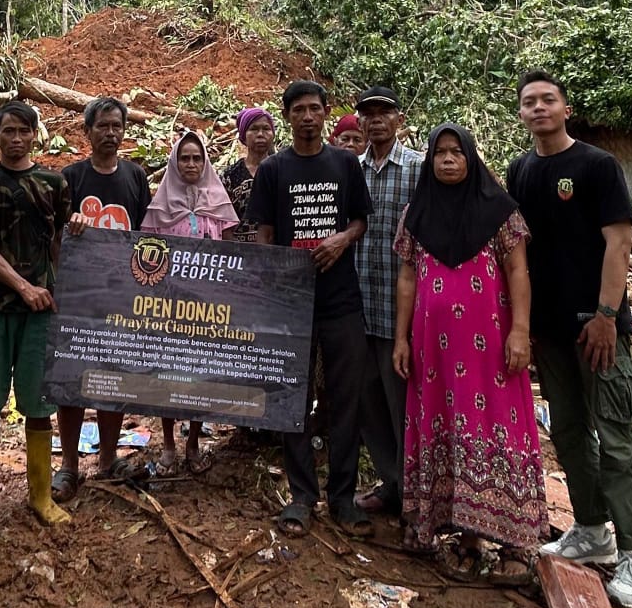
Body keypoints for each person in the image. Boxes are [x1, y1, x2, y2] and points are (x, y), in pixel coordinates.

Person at [506, 70, 632, 608]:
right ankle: (592, 530)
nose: (539, 108)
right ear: (521, 113)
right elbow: (515, 250)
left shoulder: (597, 166)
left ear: (566, 109)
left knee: (616, 437)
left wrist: (606, 316)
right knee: (569, 431)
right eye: (529, 102)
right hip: (547, 330)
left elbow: (618, 245)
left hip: (597, 328)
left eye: (549, 99)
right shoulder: (520, 171)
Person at [392, 125, 547, 584]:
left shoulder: (500, 212)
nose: (447, 161)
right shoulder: (415, 214)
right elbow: (407, 279)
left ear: (471, 158)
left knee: (499, 427)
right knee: (445, 425)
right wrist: (401, 339)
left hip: (491, 352)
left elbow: (518, 271)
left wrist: (521, 330)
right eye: (438, 153)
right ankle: (466, 538)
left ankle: (516, 544)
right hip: (433, 354)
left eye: (456, 153)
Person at [249, 80, 373, 538]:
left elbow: (360, 219)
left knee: (346, 400)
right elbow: (262, 231)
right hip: (292, 306)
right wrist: (277, 276)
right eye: (298, 109)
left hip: (341, 301)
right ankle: (302, 496)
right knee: (292, 401)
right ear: (287, 117)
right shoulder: (274, 171)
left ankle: (342, 497)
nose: (307, 116)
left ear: (325, 114)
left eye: (314, 108)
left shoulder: (345, 163)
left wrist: (341, 239)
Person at [0, 100, 72, 529]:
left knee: (39, 402)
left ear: (34, 134)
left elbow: (59, 242)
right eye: (9, 131)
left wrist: (66, 293)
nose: (17, 138)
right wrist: (24, 287)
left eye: (24, 130)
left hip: (44, 308)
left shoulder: (54, 182)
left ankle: (42, 496)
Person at [53, 96, 152, 503]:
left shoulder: (136, 176)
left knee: (116, 376)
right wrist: (68, 225)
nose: (111, 134)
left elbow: (148, 234)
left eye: (117, 126)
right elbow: (52, 234)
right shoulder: (70, 177)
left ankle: (109, 458)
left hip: (122, 296)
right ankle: (70, 466)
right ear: (87, 131)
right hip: (78, 295)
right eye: (102, 127)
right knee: (73, 380)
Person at [141, 131, 240, 472]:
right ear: (175, 162)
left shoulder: (218, 201)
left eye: (197, 158)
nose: (191, 164)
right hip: (171, 308)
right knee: (169, 375)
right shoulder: (160, 206)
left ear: (206, 162)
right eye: (185, 158)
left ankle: (194, 442)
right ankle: (169, 444)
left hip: (209, 309)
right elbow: (147, 255)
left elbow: (230, 254)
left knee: (201, 376)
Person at [351, 86, 425, 518]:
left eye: (384, 113)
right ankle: (392, 484)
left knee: (405, 407)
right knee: (368, 404)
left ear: (398, 119)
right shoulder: (349, 169)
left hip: (402, 315)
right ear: (360, 122)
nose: (376, 120)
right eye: (368, 114)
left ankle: (416, 493)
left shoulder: (417, 168)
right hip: (358, 306)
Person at [222, 107, 276, 243]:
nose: (260, 134)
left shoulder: (282, 170)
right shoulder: (230, 175)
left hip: (278, 252)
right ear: (243, 135)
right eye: (254, 129)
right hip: (241, 254)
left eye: (266, 129)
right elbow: (223, 222)